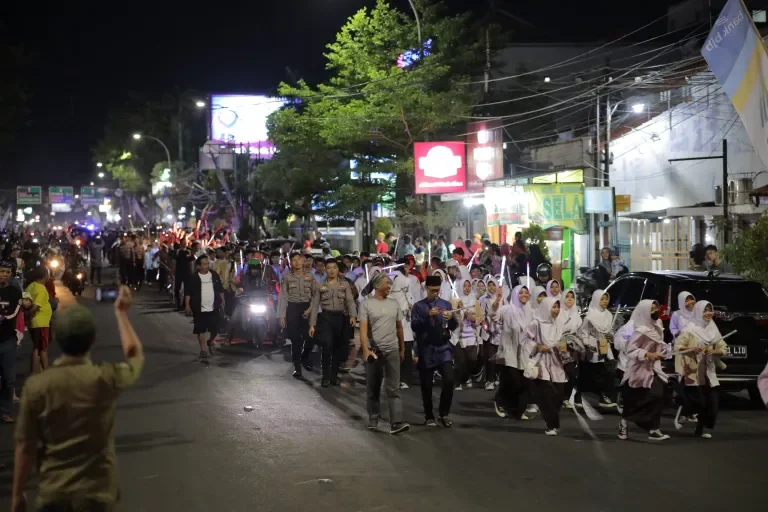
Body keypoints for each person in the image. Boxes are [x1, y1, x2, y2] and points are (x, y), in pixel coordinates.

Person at [12, 286, 144, 512]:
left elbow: (25, 445)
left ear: (57, 339)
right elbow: (135, 356)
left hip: (55, 493)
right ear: (93, 340)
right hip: (97, 494)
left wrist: (17, 494)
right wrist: (121, 314)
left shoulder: (37, 386)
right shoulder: (105, 378)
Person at [359, 273, 410, 435]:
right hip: (374, 352)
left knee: (394, 388)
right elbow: (363, 330)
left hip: (392, 350)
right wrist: (365, 349)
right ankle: (374, 418)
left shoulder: (394, 303)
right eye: (387, 283)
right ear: (377, 285)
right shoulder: (366, 304)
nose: (389, 286)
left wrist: (402, 348)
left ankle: (396, 423)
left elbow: (399, 328)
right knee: (373, 387)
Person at [618, 299, 671, 441]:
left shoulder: (658, 325)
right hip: (638, 370)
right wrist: (647, 354)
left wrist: (665, 350)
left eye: (656, 308)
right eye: (651, 309)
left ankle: (653, 428)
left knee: (658, 395)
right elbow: (630, 350)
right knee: (636, 400)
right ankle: (625, 421)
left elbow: (659, 344)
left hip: (653, 368)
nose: (655, 311)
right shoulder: (640, 331)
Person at [674, 301, 727, 438]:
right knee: (699, 401)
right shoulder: (690, 329)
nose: (709, 313)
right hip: (693, 370)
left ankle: (700, 429)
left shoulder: (713, 329)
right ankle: (685, 411)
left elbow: (723, 348)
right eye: (705, 310)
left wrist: (714, 351)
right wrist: (691, 348)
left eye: (710, 310)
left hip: (708, 370)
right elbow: (677, 346)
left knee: (712, 402)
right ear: (698, 312)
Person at [411, 275, 459, 427]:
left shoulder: (446, 304)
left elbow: (453, 326)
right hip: (426, 349)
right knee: (426, 385)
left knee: (449, 379)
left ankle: (444, 413)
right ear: (426, 288)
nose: (435, 293)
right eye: (432, 290)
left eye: (438, 290)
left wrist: (451, 318)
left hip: (443, 347)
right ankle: (429, 415)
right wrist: (427, 315)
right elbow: (415, 326)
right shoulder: (419, 306)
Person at [309, 259, 357, 387]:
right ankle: (325, 376)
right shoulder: (320, 285)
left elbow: (350, 301)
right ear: (325, 269)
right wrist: (312, 324)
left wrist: (353, 315)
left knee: (338, 348)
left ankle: (333, 376)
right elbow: (315, 305)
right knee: (327, 346)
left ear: (337, 269)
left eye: (334, 268)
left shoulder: (344, 284)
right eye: (329, 268)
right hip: (326, 318)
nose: (332, 270)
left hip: (340, 318)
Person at [524, 297, 567, 436]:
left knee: (559, 394)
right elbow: (524, 339)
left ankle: (552, 421)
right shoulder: (536, 323)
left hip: (557, 362)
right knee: (548, 394)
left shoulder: (559, 323)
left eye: (558, 307)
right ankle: (551, 424)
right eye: (554, 307)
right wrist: (537, 346)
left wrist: (564, 345)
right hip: (541, 361)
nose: (556, 310)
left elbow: (564, 339)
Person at [496, 285, 534, 419]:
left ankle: (518, 411)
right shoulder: (507, 309)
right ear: (515, 294)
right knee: (513, 381)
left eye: (526, 292)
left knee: (524, 383)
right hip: (510, 350)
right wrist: (497, 301)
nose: (524, 295)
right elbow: (494, 317)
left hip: (525, 352)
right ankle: (500, 401)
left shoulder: (531, 312)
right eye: (521, 293)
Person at [278, 252, 318, 378]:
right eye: (294, 260)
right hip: (292, 308)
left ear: (303, 261)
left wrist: (310, 309)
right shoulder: (286, 277)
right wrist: (281, 316)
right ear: (291, 263)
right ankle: (297, 367)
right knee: (295, 339)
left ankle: (305, 357)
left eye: (298, 259)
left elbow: (315, 295)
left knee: (310, 337)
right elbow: (283, 296)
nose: (296, 262)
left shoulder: (310, 276)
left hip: (307, 307)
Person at [577, 289, 618, 408]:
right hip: (593, 348)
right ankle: (580, 397)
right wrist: (587, 344)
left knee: (605, 372)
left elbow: (610, 330)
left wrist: (611, 337)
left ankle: (603, 396)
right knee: (590, 373)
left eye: (606, 299)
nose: (605, 301)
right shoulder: (590, 316)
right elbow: (583, 332)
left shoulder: (608, 315)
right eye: (602, 299)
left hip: (605, 346)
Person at [184, 255, 225, 359]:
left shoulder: (214, 275)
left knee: (215, 328)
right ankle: (203, 350)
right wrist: (187, 305)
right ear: (199, 266)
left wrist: (222, 301)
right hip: (199, 308)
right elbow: (188, 293)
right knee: (200, 329)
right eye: (205, 264)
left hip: (214, 307)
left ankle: (210, 341)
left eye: (208, 263)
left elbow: (220, 289)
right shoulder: (194, 278)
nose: (207, 265)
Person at [0, 261, 22, 424]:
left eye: (7, 272)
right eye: (2, 271)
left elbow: (16, 312)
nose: (4, 274)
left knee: (8, 379)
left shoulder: (15, 292)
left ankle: (5, 411)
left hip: (8, 340)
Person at [389, 260, 416, 389]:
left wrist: (410, 307)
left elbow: (411, 305)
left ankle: (404, 378)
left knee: (406, 353)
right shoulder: (393, 289)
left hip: (406, 327)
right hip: (395, 327)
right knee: (397, 353)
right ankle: (396, 378)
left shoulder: (407, 289)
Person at [452, 278, 482, 390]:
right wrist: (459, 310)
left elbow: (479, 317)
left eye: (469, 285)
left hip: (471, 334)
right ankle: (458, 382)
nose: (467, 288)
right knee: (460, 360)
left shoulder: (475, 301)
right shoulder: (455, 300)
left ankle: (466, 377)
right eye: (464, 286)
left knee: (472, 359)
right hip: (459, 335)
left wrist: (473, 319)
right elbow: (453, 317)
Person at [558, 289, 584, 407]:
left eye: (572, 297)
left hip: (572, 349)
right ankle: (558, 398)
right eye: (567, 296)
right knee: (559, 373)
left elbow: (580, 332)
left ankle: (565, 398)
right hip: (559, 348)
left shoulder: (576, 315)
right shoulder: (558, 312)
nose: (569, 299)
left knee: (571, 373)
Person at [26, 266, 53, 373]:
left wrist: (27, 317)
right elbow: (36, 306)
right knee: (41, 349)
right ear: (45, 276)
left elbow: (25, 302)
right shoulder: (41, 288)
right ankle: (45, 372)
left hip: (34, 323)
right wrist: (29, 314)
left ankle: (36, 371)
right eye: (48, 274)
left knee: (36, 347)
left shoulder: (30, 286)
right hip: (41, 323)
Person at [480, 276, 503, 390]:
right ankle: (489, 380)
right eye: (489, 285)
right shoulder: (484, 300)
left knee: (499, 358)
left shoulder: (503, 300)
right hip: (489, 333)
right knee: (490, 358)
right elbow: (481, 316)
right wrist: (486, 328)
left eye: (493, 285)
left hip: (501, 333)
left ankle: (497, 376)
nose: (491, 287)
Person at [174, 240, 195, 310]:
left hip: (187, 273)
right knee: (177, 289)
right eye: (182, 243)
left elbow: (192, 262)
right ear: (180, 244)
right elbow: (174, 262)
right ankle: (178, 304)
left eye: (185, 243)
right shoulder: (177, 252)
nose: (184, 244)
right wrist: (173, 271)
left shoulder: (189, 251)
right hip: (179, 273)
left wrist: (192, 272)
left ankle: (185, 304)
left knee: (187, 290)